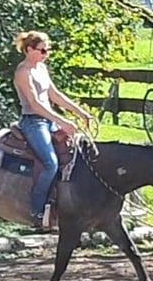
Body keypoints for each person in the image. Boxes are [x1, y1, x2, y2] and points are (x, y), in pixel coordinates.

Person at [12, 30, 93, 229]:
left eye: (48, 50)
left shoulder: (41, 68)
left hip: (48, 120)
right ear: (29, 50)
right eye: (42, 50)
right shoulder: (23, 72)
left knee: (77, 153)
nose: (46, 53)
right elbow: (35, 104)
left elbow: (54, 95)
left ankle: (68, 203)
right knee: (50, 163)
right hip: (33, 122)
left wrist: (80, 112)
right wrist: (62, 121)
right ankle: (36, 211)